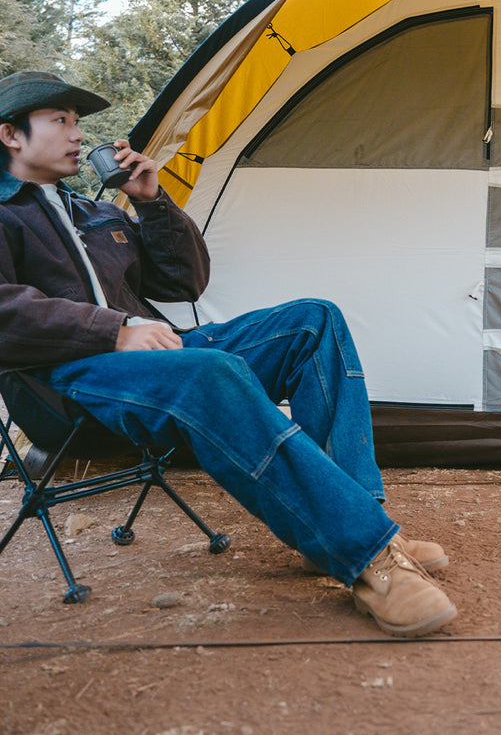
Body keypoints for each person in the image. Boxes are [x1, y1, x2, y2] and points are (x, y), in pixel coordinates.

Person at [0, 70, 457, 636]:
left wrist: (153, 202)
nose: (76, 135)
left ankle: (357, 514)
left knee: (313, 320)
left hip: (158, 355)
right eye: (59, 121)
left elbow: (186, 282)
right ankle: (368, 558)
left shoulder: (94, 213)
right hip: (69, 380)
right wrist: (112, 328)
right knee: (210, 371)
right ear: (11, 136)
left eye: (77, 122)